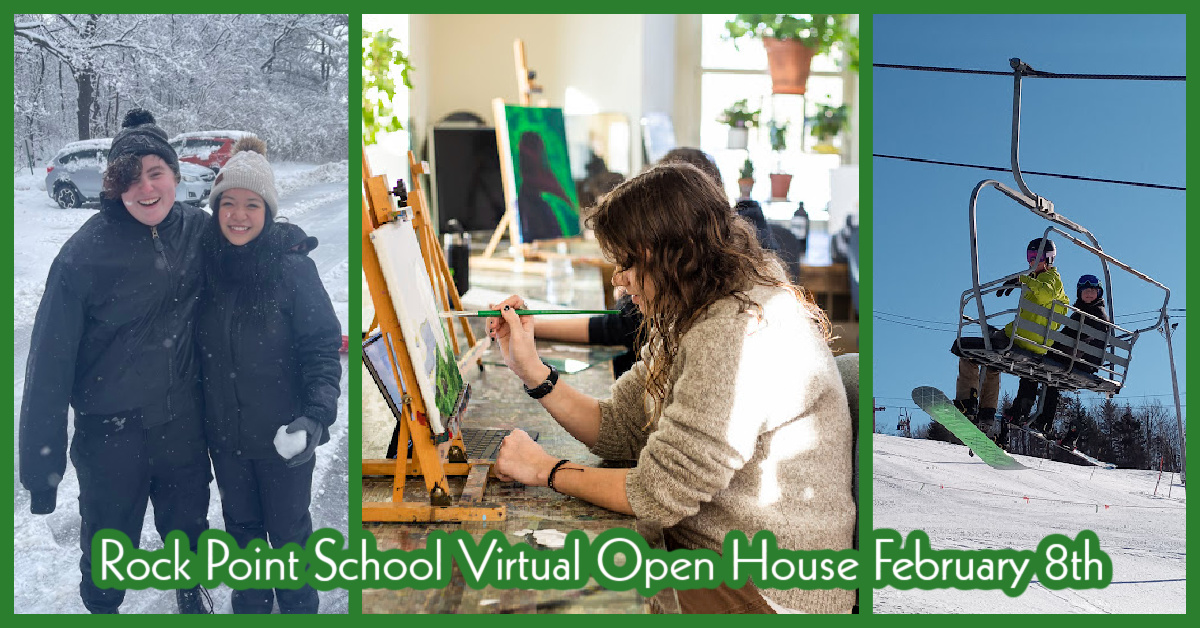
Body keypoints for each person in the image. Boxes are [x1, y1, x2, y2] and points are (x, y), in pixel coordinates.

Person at [489, 163, 855, 614]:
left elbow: (653, 494)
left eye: (625, 264)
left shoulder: (737, 335)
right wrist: (532, 371)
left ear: (667, 256)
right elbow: (620, 427)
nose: (617, 280)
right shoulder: (696, 306)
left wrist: (545, 469)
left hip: (768, 593)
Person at [19, 109, 213, 614]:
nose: (146, 189)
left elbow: (252, 249)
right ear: (113, 185)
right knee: (108, 543)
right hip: (111, 435)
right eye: (131, 177)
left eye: (156, 173)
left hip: (183, 426)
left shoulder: (199, 231)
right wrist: (42, 472)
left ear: (175, 175)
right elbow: (47, 368)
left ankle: (191, 595)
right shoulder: (82, 257)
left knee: (189, 527)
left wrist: (287, 251)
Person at [196, 138, 342, 614]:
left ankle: (300, 609)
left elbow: (322, 348)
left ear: (268, 210)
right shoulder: (207, 269)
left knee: (288, 535)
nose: (238, 215)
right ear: (216, 209)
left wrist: (316, 416)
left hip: (284, 438)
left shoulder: (294, 269)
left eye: (252, 204)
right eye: (229, 204)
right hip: (227, 439)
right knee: (241, 535)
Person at [532, 147, 783, 378]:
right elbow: (621, 414)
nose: (618, 277)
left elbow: (622, 326)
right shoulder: (732, 255)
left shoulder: (716, 335)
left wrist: (534, 329)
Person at [953, 237, 1069, 439]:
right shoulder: (1046, 281)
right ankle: (987, 411)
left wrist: (1023, 279)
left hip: (1021, 340)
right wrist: (1022, 280)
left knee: (965, 349)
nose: (1032, 261)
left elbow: (1044, 294)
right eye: (1030, 257)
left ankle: (966, 402)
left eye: (1037, 257)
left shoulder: (1051, 280)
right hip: (1035, 344)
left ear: (1050, 259)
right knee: (992, 359)